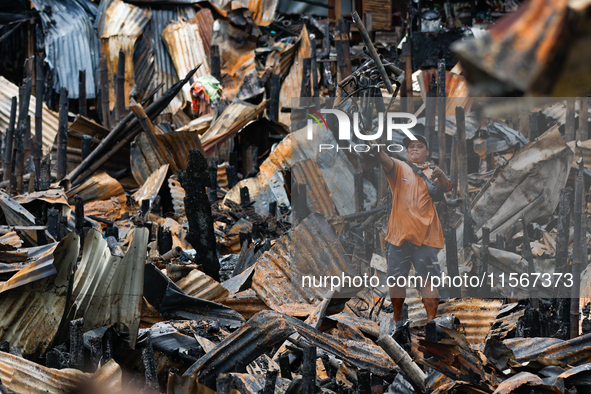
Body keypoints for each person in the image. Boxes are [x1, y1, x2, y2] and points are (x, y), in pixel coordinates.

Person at [376, 134, 452, 327]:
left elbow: (446, 187)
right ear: (407, 151)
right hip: (399, 234)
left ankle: (431, 323)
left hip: (426, 235)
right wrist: (376, 146)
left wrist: (441, 174)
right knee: (396, 280)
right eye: (411, 146)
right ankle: (397, 319)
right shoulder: (399, 166)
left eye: (419, 146)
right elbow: (384, 158)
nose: (414, 149)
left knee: (428, 281)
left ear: (427, 152)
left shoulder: (432, 172)